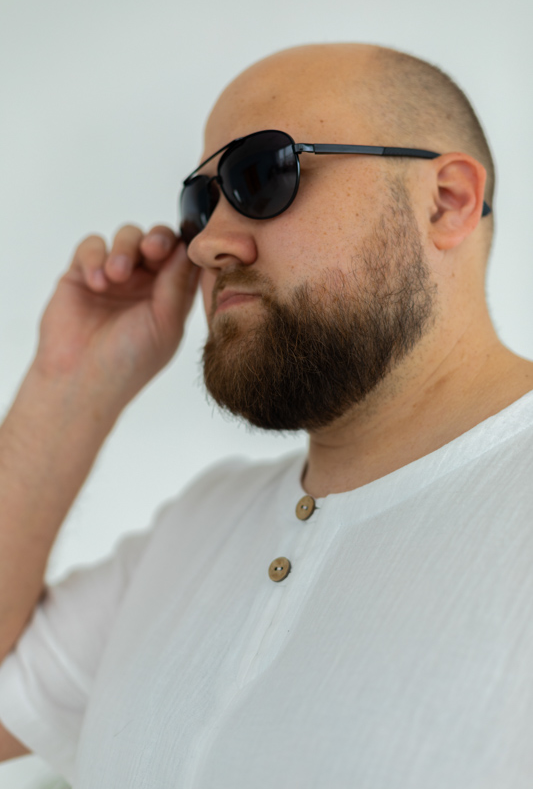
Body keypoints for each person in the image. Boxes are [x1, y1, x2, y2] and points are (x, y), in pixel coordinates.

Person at [0, 41, 532, 788]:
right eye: (200, 204)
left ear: (446, 201)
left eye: (263, 175)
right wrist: (67, 387)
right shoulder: (194, 527)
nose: (208, 246)